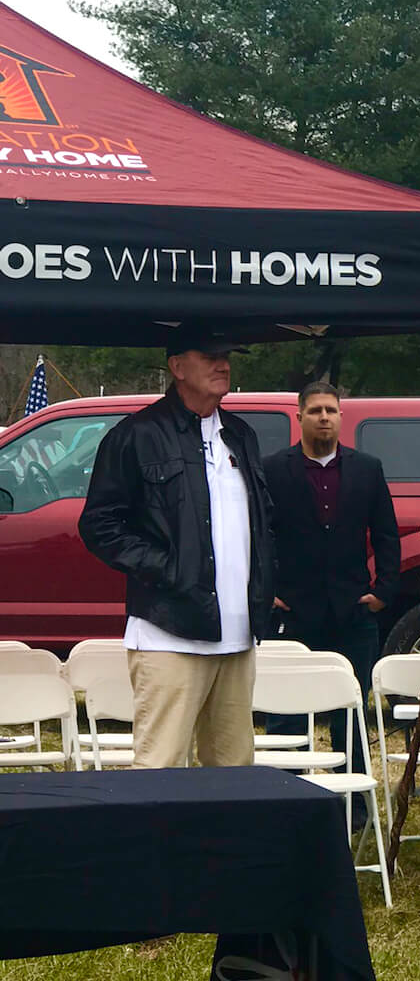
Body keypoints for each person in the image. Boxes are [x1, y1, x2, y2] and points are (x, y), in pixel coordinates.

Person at [79, 324, 274, 768]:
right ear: (177, 367)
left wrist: (265, 584)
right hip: (169, 632)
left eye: (226, 356)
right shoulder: (136, 435)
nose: (223, 365)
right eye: (210, 357)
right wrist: (168, 569)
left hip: (239, 636)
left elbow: (261, 523)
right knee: (161, 769)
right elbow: (99, 524)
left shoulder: (240, 435)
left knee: (234, 772)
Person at [264, 380, 399, 775]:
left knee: (350, 715)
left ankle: (352, 799)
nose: (323, 417)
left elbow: (386, 534)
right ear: (299, 417)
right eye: (315, 411)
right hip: (291, 611)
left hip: (352, 611)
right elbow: (256, 534)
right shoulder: (272, 469)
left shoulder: (367, 469)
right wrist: (265, 590)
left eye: (330, 410)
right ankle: (286, 794)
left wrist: (384, 591)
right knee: (286, 714)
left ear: (341, 416)